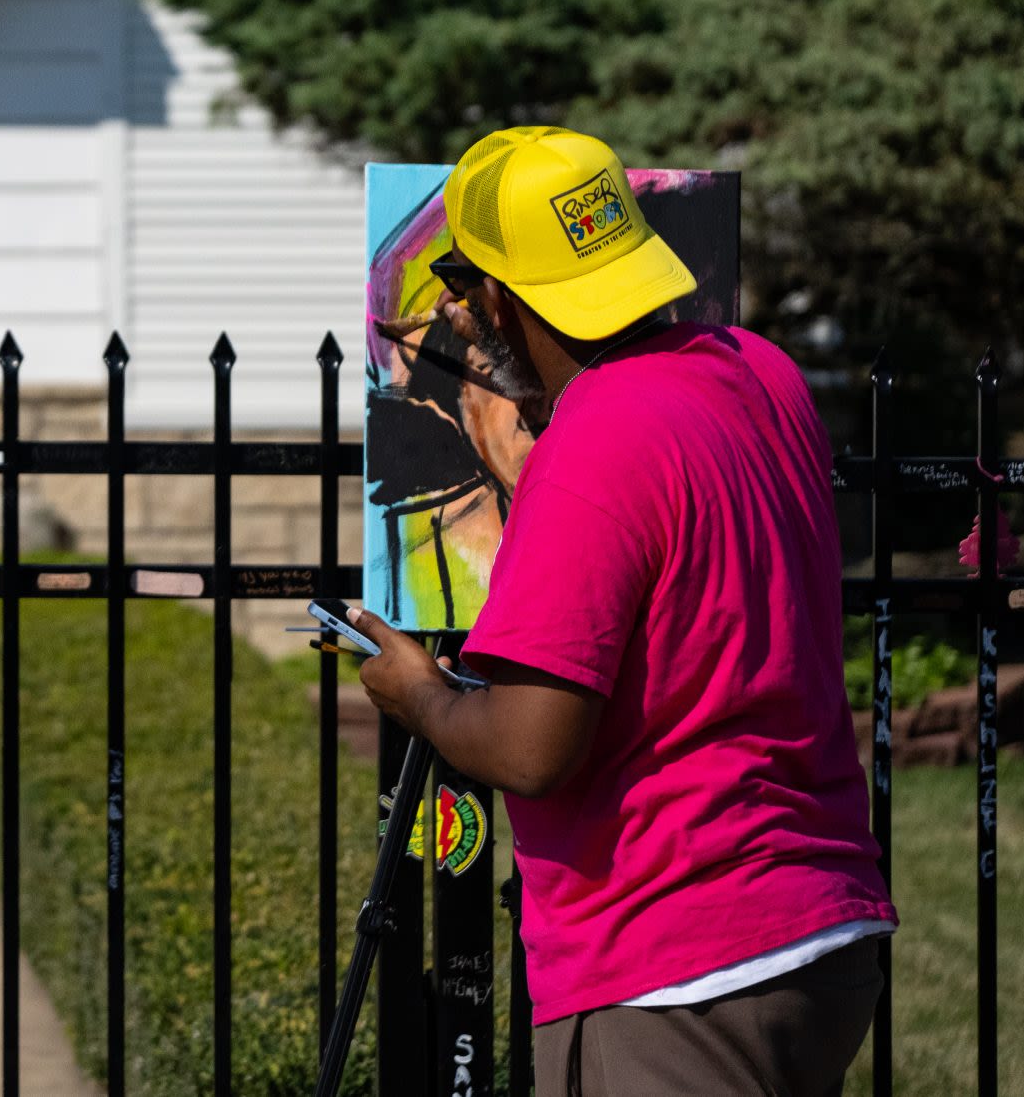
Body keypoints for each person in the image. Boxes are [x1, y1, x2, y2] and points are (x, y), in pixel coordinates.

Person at [347, 125, 894, 1097]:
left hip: (675, 964)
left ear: (497, 300)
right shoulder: (758, 371)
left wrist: (420, 696)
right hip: (817, 924)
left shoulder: (596, 442)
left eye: (465, 292)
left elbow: (528, 746)